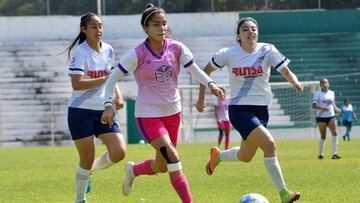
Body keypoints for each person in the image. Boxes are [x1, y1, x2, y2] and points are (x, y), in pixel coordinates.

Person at [101, 4, 224, 203]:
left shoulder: (177, 48)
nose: (162, 28)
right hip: (148, 116)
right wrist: (108, 104)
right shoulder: (137, 54)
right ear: (146, 28)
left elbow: (195, 70)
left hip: (174, 113)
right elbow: (111, 79)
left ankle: (133, 170)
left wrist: (211, 84)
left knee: (163, 165)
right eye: (156, 24)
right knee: (173, 157)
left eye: (164, 24)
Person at [195, 17, 302, 203]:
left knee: (245, 156)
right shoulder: (228, 53)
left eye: (253, 28)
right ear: (238, 35)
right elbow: (205, 72)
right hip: (239, 110)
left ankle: (218, 156)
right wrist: (202, 98)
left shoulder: (267, 49)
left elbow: (285, 70)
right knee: (269, 144)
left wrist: (294, 82)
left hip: (261, 110)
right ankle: (284, 194)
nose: (250, 31)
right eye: (245, 29)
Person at [67, 12, 127, 203]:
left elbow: (112, 77)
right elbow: (76, 84)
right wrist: (103, 79)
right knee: (86, 158)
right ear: (83, 30)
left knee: (119, 152)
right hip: (80, 111)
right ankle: (80, 198)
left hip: (104, 109)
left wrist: (117, 95)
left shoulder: (108, 50)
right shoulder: (80, 52)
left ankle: (90, 170)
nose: (98, 30)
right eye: (93, 26)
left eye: (100, 26)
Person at [312, 78, 341, 160]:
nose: (325, 84)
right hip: (321, 117)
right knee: (323, 136)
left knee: (335, 133)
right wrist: (322, 108)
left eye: (326, 82)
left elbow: (332, 104)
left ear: (328, 83)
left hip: (331, 116)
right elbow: (313, 105)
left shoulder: (332, 93)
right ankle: (320, 154)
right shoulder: (317, 94)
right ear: (320, 85)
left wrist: (337, 109)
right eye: (323, 83)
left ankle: (334, 154)